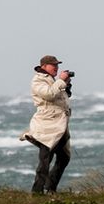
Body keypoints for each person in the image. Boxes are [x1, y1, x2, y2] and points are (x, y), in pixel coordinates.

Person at [19, 55, 73, 194]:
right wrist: (61, 80)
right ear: (43, 66)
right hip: (47, 126)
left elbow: (59, 97)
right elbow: (49, 94)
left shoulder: (51, 80)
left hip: (59, 126)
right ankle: (37, 191)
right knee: (45, 160)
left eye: (57, 65)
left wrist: (66, 86)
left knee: (64, 157)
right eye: (53, 65)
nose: (56, 67)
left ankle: (50, 187)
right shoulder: (37, 81)